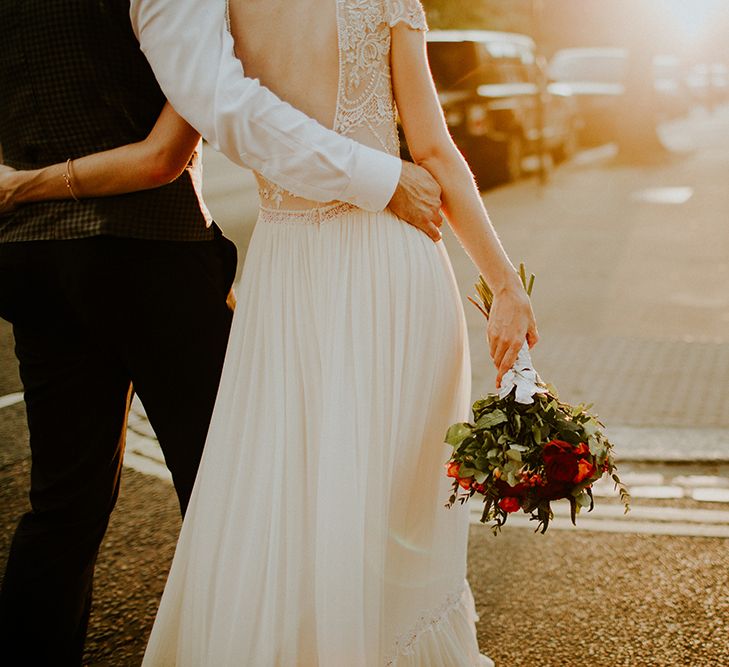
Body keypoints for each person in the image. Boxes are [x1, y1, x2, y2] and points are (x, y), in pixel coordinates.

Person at [0, 0, 444, 664]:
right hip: (149, 254)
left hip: (32, 259)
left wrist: (18, 188)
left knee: (62, 502)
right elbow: (168, 151)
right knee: (230, 480)